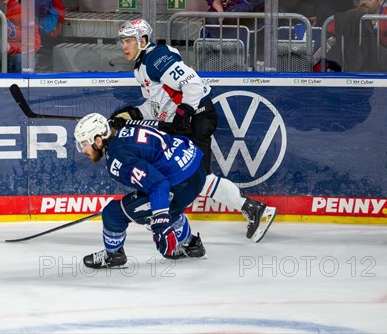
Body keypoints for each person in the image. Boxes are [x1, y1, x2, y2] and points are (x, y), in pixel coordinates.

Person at [74, 113, 277, 269]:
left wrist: (161, 219)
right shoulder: (124, 131)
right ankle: (191, 244)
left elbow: (158, 185)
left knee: (113, 213)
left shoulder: (116, 158)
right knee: (154, 204)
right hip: (195, 167)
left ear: (98, 140)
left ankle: (113, 255)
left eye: (84, 143)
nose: (83, 150)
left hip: (179, 184)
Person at [110, 18, 218, 175]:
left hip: (197, 117)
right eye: (122, 41)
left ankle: (241, 201)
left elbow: (193, 83)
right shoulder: (140, 67)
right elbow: (156, 104)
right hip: (183, 121)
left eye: (128, 41)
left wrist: (185, 111)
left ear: (143, 40)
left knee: (199, 177)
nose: (123, 46)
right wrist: (134, 114)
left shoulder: (156, 58)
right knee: (179, 175)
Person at [0, 0, 42, 73]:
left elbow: (33, 42)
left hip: (14, 55)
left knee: (22, 60)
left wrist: (11, 48)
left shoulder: (21, 10)